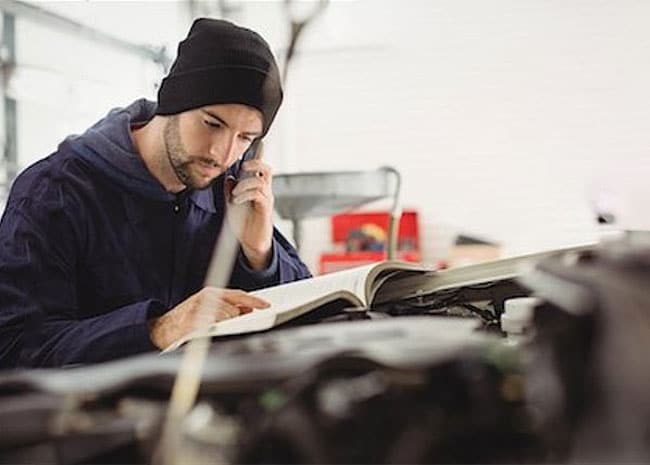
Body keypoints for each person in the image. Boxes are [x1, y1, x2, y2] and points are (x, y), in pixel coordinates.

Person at [0, 18, 312, 368]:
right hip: (86, 418)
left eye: (245, 138)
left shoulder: (233, 190)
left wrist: (260, 255)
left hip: (207, 412)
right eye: (212, 124)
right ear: (172, 103)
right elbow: (14, 348)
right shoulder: (54, 192)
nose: (223, 155)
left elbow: (307, 316)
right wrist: (157, 330)